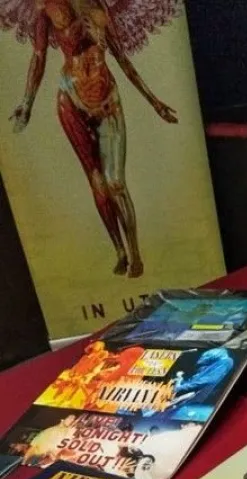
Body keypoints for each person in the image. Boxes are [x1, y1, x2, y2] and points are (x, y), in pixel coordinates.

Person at [7, 0, 178, 278]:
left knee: (115, 183)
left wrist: (154, 102)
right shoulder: (46, 7)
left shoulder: (98, 5)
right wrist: (27, 103)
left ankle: (135, 254)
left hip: (106, 99)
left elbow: (121, 57)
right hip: (71, 99)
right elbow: (38, 56)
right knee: (97, 183)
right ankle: (120, 251)